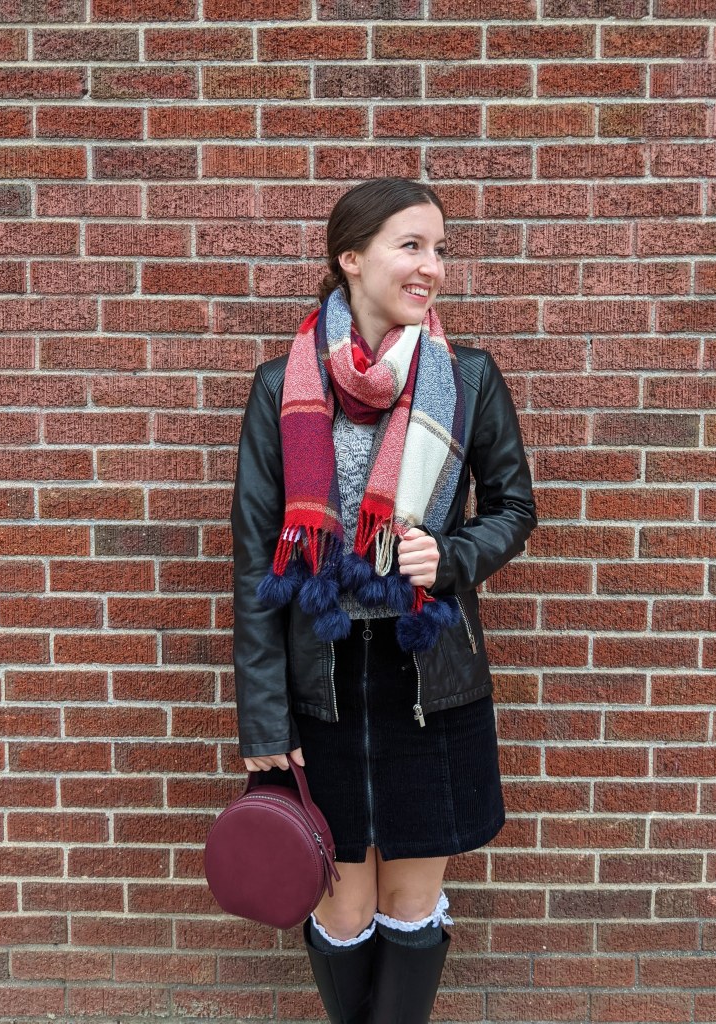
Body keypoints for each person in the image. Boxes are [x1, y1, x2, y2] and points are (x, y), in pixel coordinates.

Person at [231, 177, 537, 1023]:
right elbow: (256, 565)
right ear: (352, 259)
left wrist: (452, 557)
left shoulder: (466, 378)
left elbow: (515, 507)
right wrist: (264, 725)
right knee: (341, 906)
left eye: (440, 249)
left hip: (427, 681)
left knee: (409, 905)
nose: (432, 266)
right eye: (412, 246)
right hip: (320, 681)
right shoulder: (279, 388)